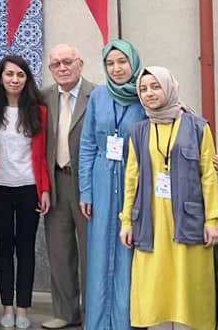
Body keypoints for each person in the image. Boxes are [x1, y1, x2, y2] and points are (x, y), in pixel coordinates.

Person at [120, 67, 218, 330]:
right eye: (143, 89)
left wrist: (212, 219)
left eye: (155, 86)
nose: (149, 93)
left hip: (187, 219)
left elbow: (208, 175)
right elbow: (131, 179)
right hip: (151, 220)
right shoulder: (138, 131)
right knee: (156, 286)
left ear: (169, 87)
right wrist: (126, 221)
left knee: (188, 285)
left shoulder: (198, 127)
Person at [78, 40, 146, 330]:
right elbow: (88, 144)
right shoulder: (98, 96)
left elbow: (176, 121)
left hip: (134, 182)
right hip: (102, 180)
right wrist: (86, 190)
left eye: (122, 62)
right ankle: (97, 323)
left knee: (127, 251)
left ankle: (124, 322)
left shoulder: (145, 93)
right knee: (99, 252)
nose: (116, 68)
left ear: (133, 63)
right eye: (110, 63)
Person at [0, 55, 50, 330]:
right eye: (9, 74)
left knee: (26, 249)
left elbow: (42, 155)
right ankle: (7, 308)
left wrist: (44, 189)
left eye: (20, 75)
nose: (14, 80)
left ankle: (22, 308)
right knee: (3, 248)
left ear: (27, 79)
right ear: (0, 78)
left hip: (28, 188)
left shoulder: (39, 111)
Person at [40, 44, 93, 330]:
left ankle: (93, 312)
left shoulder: (97, 95)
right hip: (56, 182)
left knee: (90, 252)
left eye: (68, 62)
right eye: (56, 64)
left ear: (80, 63)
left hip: (87, 185)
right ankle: (65, 312)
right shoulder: (44, 96)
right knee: (59, 252)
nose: (62, 68)